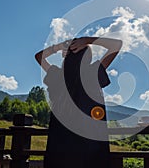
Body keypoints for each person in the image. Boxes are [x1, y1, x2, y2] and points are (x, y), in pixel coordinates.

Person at [35, 37, 122, 168]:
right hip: (90, 154)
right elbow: (116, 45)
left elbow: (39, 56)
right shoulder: (92, 74)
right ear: (88, 58)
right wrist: (87, 40)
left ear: (66, 58)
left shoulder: (57, 76)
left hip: (58, 154)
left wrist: (59, 46)